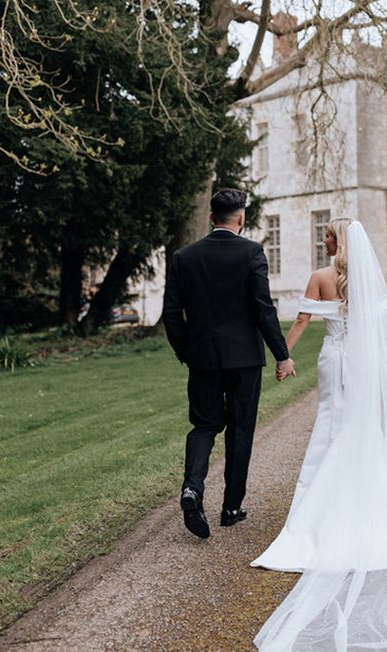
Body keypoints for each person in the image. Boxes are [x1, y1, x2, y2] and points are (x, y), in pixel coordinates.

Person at [252, 218, 387, 651]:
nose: (322, 240)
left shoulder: (320, 277)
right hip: (362, 362)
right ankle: (360, 497)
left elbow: (305, 319)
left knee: (331, 427)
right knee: (356, 428)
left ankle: (318, 510)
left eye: (326, 235)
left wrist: (283, 355)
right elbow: (382, 331)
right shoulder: (365, 277)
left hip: (334, 357)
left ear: (337, 242)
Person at [163, 188, 295, 539]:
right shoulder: (252, 252)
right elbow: (263, 308)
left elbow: (172, 314)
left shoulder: (184, 257)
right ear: (241, 218)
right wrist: (282, 354)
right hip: (244, 360)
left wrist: (186, 351)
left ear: (211, 217)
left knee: (204, 425)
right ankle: (231, 507)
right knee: (240, 429)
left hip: (203, 357)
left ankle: (192, 488)